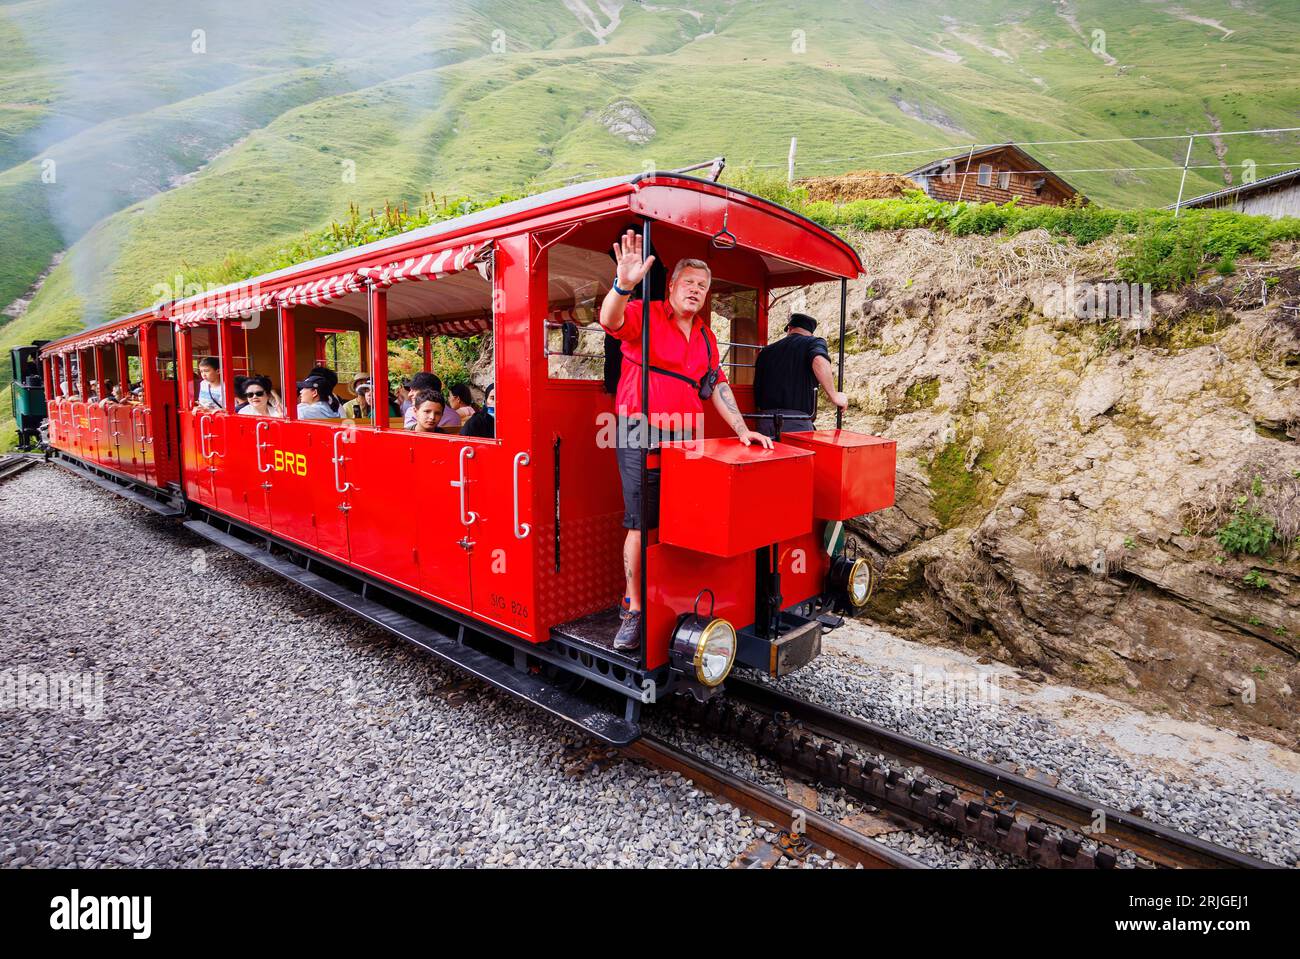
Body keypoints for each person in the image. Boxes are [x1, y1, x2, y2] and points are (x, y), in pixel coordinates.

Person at [598, 230, 773, 652]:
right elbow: (609, 320)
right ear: (672, 285)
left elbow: (715, 383)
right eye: (688, 283)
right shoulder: (643, 313)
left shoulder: (707, 336)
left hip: (685, 435)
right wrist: (623, 283)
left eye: (702, 287)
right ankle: (633, 608)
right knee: (641, 521)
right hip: (638, 430)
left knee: (680, 518)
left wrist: (740, 429)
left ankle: (673, 597)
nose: (695, 291)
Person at [751, 312, 849, 437]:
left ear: (790, 329)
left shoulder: (765, 351)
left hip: (764, 421)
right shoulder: (813, 342)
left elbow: (757, 388)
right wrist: (833, 395)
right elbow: (819, 360)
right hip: (796, 422)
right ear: (811, 333)